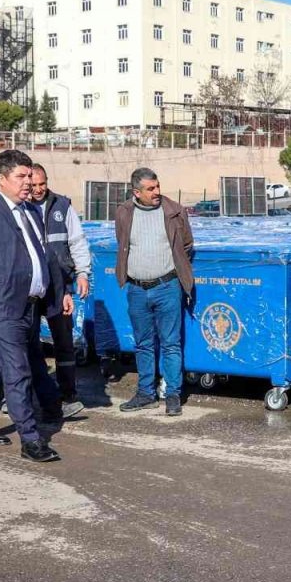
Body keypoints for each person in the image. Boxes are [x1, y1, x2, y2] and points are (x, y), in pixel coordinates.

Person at [0, 150, 74, 462]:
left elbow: (45, 258)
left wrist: (61, 292)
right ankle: (31, 438)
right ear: (1, 179)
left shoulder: (31, 212)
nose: (28, 183)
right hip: (0, 305)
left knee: (1, 366)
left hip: (31, 306)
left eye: (29, 176)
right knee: (17, 370)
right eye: (21, 177)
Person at [114, 167, 194, 417]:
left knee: (171, 343)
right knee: (143, 344)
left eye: (158, 186)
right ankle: (145, 394)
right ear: (136, 192)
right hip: (137, 289)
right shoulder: (124, 213)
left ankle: (172, 395)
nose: (157, 192)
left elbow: (187, 245)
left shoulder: (174, 212)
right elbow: (123, 244)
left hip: (167, 287)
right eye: (151, 189)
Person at [28, 163, 92, 415]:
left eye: (42, 184)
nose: (37, 189)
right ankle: (27, 395)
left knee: (63, 342)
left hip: (59, 287)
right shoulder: (20, 207)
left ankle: (67, 393)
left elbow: (77, 242)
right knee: (27, 343)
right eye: (33, 185)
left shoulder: (62, 207)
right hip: (32, 287)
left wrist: (82, 273)